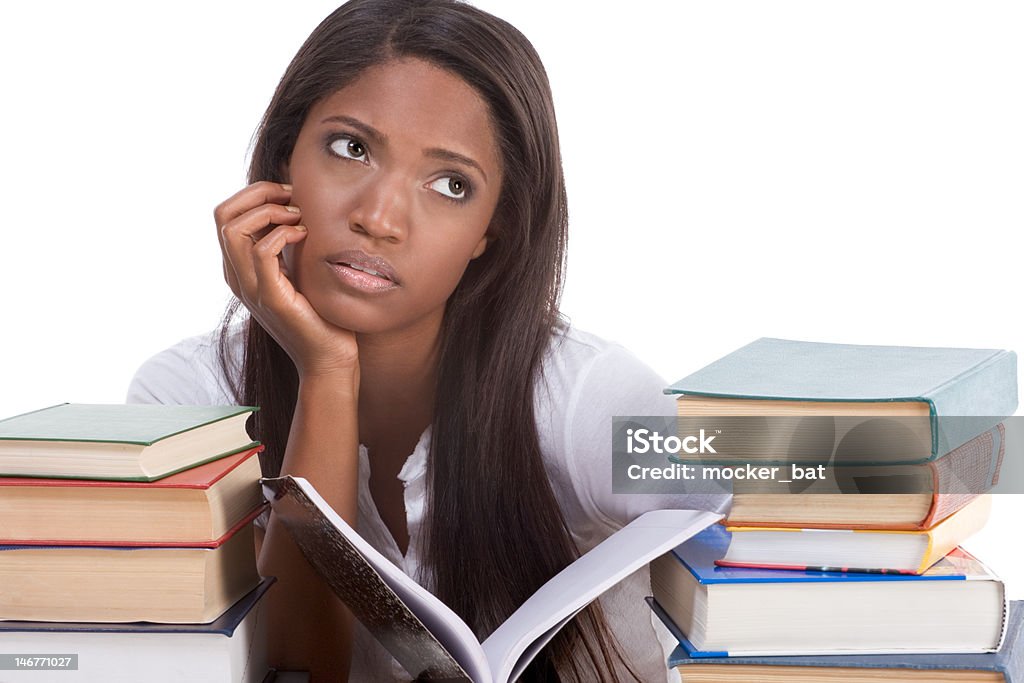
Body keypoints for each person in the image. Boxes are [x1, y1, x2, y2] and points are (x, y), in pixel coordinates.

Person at [127, 0, 728, 680]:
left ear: (490, 232)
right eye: (351, 148)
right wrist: (325, 370)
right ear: (282, 159)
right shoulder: (187, 407)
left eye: (449, 184)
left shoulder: (586, 397)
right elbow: (297, 669)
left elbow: (793, 476)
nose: (379, 218)